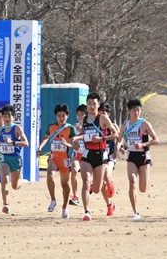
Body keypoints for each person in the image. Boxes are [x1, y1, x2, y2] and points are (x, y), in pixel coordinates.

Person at [72, 92, 118, 221]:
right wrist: (76, 138)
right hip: (87, 153)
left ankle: (109, 193)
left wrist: (101, 138)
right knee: (86, 182)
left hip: (100, 154)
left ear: (98, 105)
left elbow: (115, 134)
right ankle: (87, 212)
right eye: (89, 103)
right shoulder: (83, 119)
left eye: (94, 103)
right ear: (87, 105)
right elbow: (84, 134)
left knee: (97, 189)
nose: (92, 106)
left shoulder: (103, 118)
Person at [117, 98, 159, 220]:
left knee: (143, 188)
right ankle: (136, 212)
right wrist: (119, 149)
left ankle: (144, 183)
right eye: (134, 110)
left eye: (138, 109)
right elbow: (119, 140)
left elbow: (156, 139)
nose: (136, 112)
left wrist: (143, 145)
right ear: (128, 111)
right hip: (131, 157)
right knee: (132, 183)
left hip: (144, 157)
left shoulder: (144, 124)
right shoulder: (124, 126)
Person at [0, 106, 29, 214]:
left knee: (15, 186)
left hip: (16, 158)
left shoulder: (17, 128)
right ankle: (6, 204)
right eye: (4, 116)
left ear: (13, 117)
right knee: (5, 179)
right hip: (5, 158)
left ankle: (20, 178)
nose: (6, 119)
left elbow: (26, 143)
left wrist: (13, 142)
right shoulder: (1, 130)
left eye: (9, 116)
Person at [38, 104, 77, 218]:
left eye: (63, 115)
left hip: (65, 159)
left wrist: (67, 144)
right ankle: (53, 200)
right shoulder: (51, 127)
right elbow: (46, 138)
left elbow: (77, 147)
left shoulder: (70, 129)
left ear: (67, 116)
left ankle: (65, 207)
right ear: (55, 116)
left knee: (65, 185)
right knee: (49, 176)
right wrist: (40, 148)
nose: (61, 118)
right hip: (53, 158)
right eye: (59, 115)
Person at [99, 103, 118, 215]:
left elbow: (119, 139)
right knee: (101, 184)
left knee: (106, 176)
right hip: (100, 156)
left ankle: (110, 183)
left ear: (109, 114)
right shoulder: (97, 125)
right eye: (100, 112)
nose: (102, 114)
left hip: (110, 156)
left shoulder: (113, 126)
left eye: (104, 112)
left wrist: (117, 149)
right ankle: (110, 205)